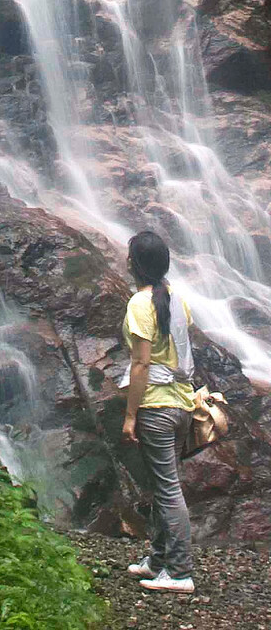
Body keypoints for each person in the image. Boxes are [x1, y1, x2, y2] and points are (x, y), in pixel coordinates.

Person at [120, 230, 196, 594]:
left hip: (156, 406)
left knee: (167, 490)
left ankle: (180, 573)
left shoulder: (139, 304)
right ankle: (158, 560)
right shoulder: (178, 301)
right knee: (162, 483)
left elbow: (140, 364)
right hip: (182, 404)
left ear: (134, 264)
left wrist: (131, 415)